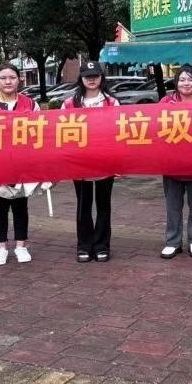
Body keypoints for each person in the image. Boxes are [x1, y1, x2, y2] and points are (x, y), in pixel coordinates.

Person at [0, 63, 41, 266]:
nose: (8, 81)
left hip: (22, 164)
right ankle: (1, 248)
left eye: (12, 77)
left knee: (21, 205)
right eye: (3, 78)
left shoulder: (31, 104)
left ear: (19, 79)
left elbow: (39, 133)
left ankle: (21, 246)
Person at [62, 62, 121, 263]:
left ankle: (102, 245)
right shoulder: (69, 103)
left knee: (103, 205)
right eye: (88, 76)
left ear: (102, 77)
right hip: (80, 162)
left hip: (105, 161)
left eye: (95, 75)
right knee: (83, 205)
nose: (92, 79)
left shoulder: (112, 102)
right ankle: (84, 246)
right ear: (81, 78)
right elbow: (61, 132)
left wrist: (118, 163)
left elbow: (119, 132)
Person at [159, 65, 192, 259]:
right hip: (172, 165)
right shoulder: (166, 102)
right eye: (182, 79)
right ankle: (173, 242)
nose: (186, 83)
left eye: (190, 79)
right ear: (176, 82)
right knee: (173, 207)